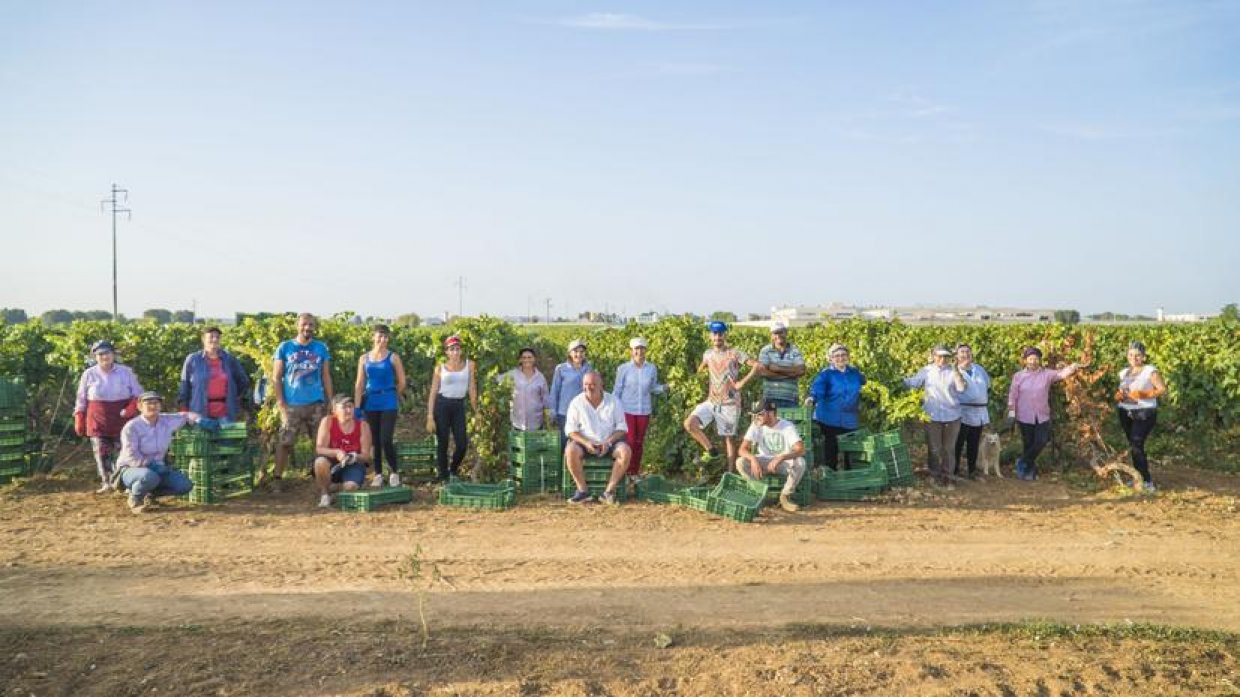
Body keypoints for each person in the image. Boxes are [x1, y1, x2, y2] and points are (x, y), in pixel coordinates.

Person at [683, 321, 757, 469]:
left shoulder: (735, 353)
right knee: (689, 424)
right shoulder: (707, 354)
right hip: (711, 401)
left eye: (720, 334)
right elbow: (701, 369)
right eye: (715, 334)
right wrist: (698, 378)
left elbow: (756, 365)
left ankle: (729, 473)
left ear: (725, 335)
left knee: (729, 439)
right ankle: (711, 450)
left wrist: (741, 382)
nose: (718, 337)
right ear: (710, 336)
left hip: (730, 403)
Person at [115, 391, 204, 514]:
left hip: (157, 468)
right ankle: (135, 499)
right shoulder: (132, 427)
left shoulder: (166, 420)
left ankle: (149, 495)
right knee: (149, 477)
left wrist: (200, 420)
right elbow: (131, 456)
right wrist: (151, 466)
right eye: (149, 403)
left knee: (184, 485)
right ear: (140, 407)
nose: (153, 406)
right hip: (131, 469)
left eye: (156, 403)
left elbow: (186, 415)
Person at [270, 313, 333, 485]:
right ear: (297, 326)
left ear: (314, 327)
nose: (307, 328)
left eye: (311, 325)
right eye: (304, 324)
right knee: (285, 442)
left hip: (316, 403)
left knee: (319, 442)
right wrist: (281, 403)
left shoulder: (321, 348)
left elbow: (326, 375)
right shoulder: (285, 347)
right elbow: (276, 377)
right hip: (292, 404)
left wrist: (330, 400)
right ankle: (277, 478)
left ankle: (319, 476)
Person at [74, 340, 143, 493]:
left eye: (107, 353)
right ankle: (106, 482)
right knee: (101, 452)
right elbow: (81, 398)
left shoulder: (126, 372)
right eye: (100, 354)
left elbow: (138, 394)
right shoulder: (89, 374)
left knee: (124, 451)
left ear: (113, 355)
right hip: (98, 418)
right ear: (95, 357)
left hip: (122, 418)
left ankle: (123, 482)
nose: (104, 357)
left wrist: (132, 407)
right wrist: (79, 416)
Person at [1006, 346, 1078, 481]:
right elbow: (1012, 396)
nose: (1033, 362)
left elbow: (1061, 374)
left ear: (1039, 360)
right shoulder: (1019, 376)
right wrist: (1011, 413)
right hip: (1024, 416)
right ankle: (1029, 472)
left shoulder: (1046, 374)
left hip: (1042, 416)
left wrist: (1073, 367)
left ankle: (1022, 461)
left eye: (1035, 359)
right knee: (1028, 444)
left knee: (1041, 441)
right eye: (1030, 359)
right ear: (1025, 360)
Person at [563, 371, 630, 505]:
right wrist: (587, 442)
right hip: (584, 443)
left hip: (610, 441)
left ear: (601, 385)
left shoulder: (614, 401)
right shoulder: (576, 403)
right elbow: (570, 430)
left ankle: (608, 492)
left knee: (625, 451)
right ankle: (582, 491)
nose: (589, 387)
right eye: (586, 384)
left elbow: (622, 428)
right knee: (570, 451)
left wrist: (609, 442)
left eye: (593, 384)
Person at [903, 345, 967, 486]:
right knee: (934, 448)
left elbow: (961, 388)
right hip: (932, 416)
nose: (942, 359)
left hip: (952, 415)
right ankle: (935, 475)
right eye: (939, 356)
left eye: (945, 356)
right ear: (933, 356)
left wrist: (956, 370)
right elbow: (913, 383)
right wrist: (898, 380)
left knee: (949, 449)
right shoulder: (926, 371)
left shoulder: (954, 371)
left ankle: (948, 476)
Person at [354, 324, 407, 488]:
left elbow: (402, 382)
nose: (383, 340)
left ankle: (393, 472)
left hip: (388, 402)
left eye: (385, 337)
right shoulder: (364, 358)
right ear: (373, 337)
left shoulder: (393, 357)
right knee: (374, 441)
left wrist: (392, 393)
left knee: (386, 439)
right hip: (371, 403)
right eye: (380, 336)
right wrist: (357, 408)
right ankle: (378, 474)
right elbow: (360, 384)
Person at [737, 399, 807, 513]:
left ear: (771, 413)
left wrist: (781, 457)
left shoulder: (787, 426)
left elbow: (801, 450)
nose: (756, 417)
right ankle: (759, 494)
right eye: (755, 415)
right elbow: (741, 449)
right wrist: (753, 459)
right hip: (763, 462)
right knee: (740, 462)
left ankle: (785, 496)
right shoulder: (756, 425)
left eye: (760, 414)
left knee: (800, 462)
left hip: (782, 464)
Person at [1115, 340, 1166, 492]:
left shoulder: (1150, 371)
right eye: (1131, 355)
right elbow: (1122, 391)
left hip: (1144, 413)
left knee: (1137, 444)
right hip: (1125, 412)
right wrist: (1118, 396)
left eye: (1137, 355)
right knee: (1134, 446)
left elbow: (1162, 389)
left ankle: (1147, 481)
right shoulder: (1124, 373)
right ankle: (1138, 478)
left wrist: (1145, 394)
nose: (1134, 358)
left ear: (1143, 357)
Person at [426, 335, 477, 481]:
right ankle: (443, 475)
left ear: (461, 351)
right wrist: (430, 415)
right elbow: (433, 392)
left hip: (458, 405)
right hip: (442, 405)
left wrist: (476, 411)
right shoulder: (440, 368)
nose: (455, 352)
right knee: (443, 442)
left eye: (457, 349)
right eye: (452, 349)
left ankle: (453, 470)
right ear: (446, 352)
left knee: (462, 443)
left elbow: (472, 388)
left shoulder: (470, 365)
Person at [806, 343, 865, 470]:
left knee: (851, 451)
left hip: (850, 419)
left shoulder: (854, 373)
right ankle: (831, 478)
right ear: (831, 359)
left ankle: (850, 479)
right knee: (831, 450)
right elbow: (818, 389)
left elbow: (865, 383)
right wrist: (812, 397)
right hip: (829, 418)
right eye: (836, 356)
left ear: (848, 356)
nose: (840, 358)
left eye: (843, 355)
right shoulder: (826, 374)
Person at [613, 337, 665, 478]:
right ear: (631, 351)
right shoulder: (623, 369)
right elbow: (617, 390)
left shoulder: (651, 368)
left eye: (642, 348)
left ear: (646, 350)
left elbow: (653, 387)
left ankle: (634, 472)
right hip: (627, 410)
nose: (639, 351)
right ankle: (624, 471)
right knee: (629, 441)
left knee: (639, 442)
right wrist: (614, 409)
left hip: (644, 410)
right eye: (636, 349)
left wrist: (664, 388)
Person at [177, 326, 250, 422]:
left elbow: (243, 381)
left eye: (217, 337)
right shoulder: (192, 360)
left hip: (225, 414)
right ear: (203, 339)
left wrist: (233, 395)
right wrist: (184, 410)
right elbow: (185, 386)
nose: (215, 339)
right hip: (199, 413)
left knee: (226, 437)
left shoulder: (229, 359)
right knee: (201, 437)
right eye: (211, 336)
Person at [313, 394, 373, 508]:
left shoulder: (363, 426)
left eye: (351, 406)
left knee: (350, 488)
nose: (349, 410)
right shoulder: (328, 421)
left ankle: (337, 487)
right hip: (332, 463)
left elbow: (367, 457)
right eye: (344, 407)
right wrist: (337, 452)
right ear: (335, 410)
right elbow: (319, 448)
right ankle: (325, 494)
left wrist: (354, 456)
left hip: (352, 464)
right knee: (320, 462)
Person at [952, 344, 991, 480]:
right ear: (957, 355)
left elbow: (988, 386)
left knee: (974, 443)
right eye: (962, 352)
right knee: (958, 442)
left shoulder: (979, 369)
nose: (965, 354)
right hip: (962, 412)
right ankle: (954, 470)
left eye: (967, 351)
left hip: (979, 412)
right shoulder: (954, 371)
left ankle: (972, 470)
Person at [548, 339, 592, 448]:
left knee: (579, 443)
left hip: (582, 412)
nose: (579, 354)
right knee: (564, 441)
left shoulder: (588, 368)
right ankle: (563, 464)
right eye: (575, 351)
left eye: (581, 351)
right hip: (564, 412)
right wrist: (553, 411)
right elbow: (555, 390)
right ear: (569, 353)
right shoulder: (561, 369)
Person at [754, 323, 805, 408]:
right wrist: (791, 373)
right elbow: (762, 372)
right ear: (771, 336)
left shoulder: (795, 350)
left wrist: (777, 368)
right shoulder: (766, 350)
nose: (778, 336)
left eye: (781, 332)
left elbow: (801, 371)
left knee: (790, 422)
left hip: (791, 398)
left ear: (786, 333)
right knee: (771, 421)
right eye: (775, 333)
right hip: (770, 398)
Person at [499, 347, 550, 432]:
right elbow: (498, 379)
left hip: (536, 423)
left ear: (534, 359)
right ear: (520, 360)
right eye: (524, 358)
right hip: (517, 422)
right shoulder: (513, 374)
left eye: (529, 357)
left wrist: (548, 417)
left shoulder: (540, 377)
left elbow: (546, 398)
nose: (527, 360)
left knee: (534, 445)